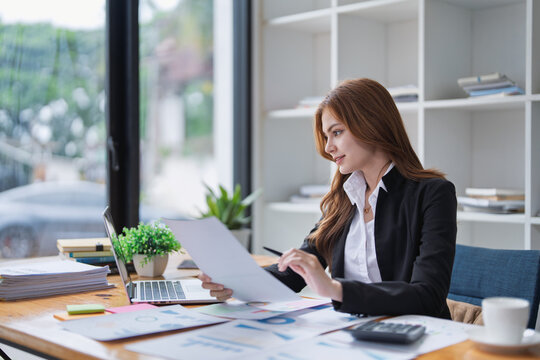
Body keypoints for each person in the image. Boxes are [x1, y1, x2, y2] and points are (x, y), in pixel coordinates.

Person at [200, 78, 457, 319]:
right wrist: (234, 280)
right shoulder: (344, 199)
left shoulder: (433, 194)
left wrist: (335, 289)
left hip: (417, 338)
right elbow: (294, 274)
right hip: (353, 335)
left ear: (372, 124)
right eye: (326, 136)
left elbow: (428, 295)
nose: (327, 147)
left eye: (336, 132)